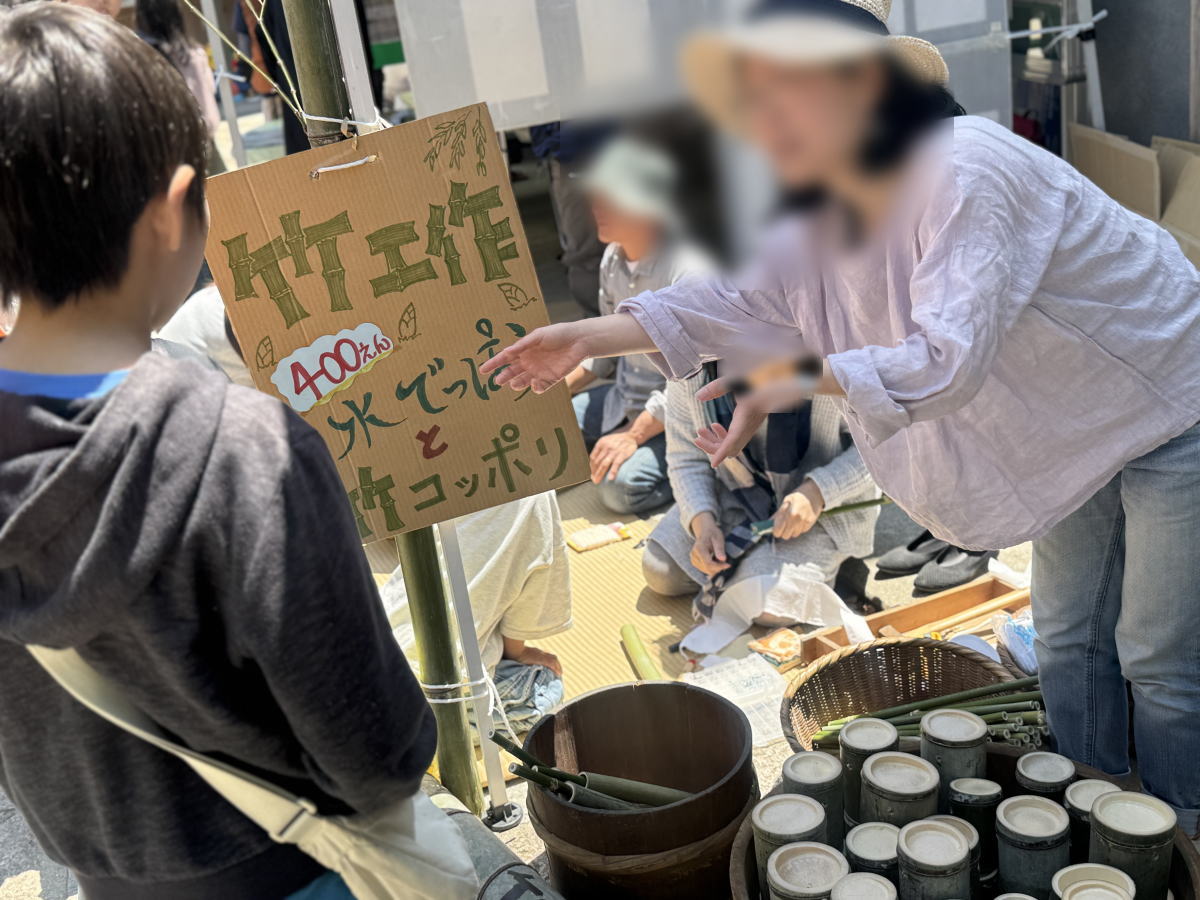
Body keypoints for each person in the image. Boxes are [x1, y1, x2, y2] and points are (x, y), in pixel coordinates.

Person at [483, 0, 1200, 836]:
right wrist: (589, 335)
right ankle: (1096, 812)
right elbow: (734, 297)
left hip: (1168, 398)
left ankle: (1180, 831)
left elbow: (946, 358)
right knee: (1071, 635)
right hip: (1071, 427)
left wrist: (792, 375)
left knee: (1155, 653)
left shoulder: (964, 167)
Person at [0, 7, 440, 897]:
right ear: (171, 213)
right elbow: (376, 755)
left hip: (102, 877)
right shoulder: (248, 454)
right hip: (300, 874)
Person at [642, 364, 878, 649]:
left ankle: (818, 567)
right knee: (660, 572)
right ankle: (757, 569)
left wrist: (818, 491)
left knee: (769, 608)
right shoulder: (691, 361)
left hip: (821, 509)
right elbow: (685, 456)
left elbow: (879, 447)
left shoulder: (825, 357)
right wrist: (702, 522)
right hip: (733, 490)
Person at [566, 137, 712, 515]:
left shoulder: (686, 268)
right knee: (551, 431)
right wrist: (555, 386)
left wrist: (632, 435)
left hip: (676, 416)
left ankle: (696, 476)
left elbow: (696, 381)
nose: (598, 206)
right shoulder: (612, 258)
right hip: (622, 401)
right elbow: (603, 352)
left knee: (621, 490)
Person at [369, 492, 571, 734]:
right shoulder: (535, 496)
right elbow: (524, 617)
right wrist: (518, 651)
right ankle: (425, 734)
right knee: (547, 685)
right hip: (433, 689)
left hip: (370, 649)